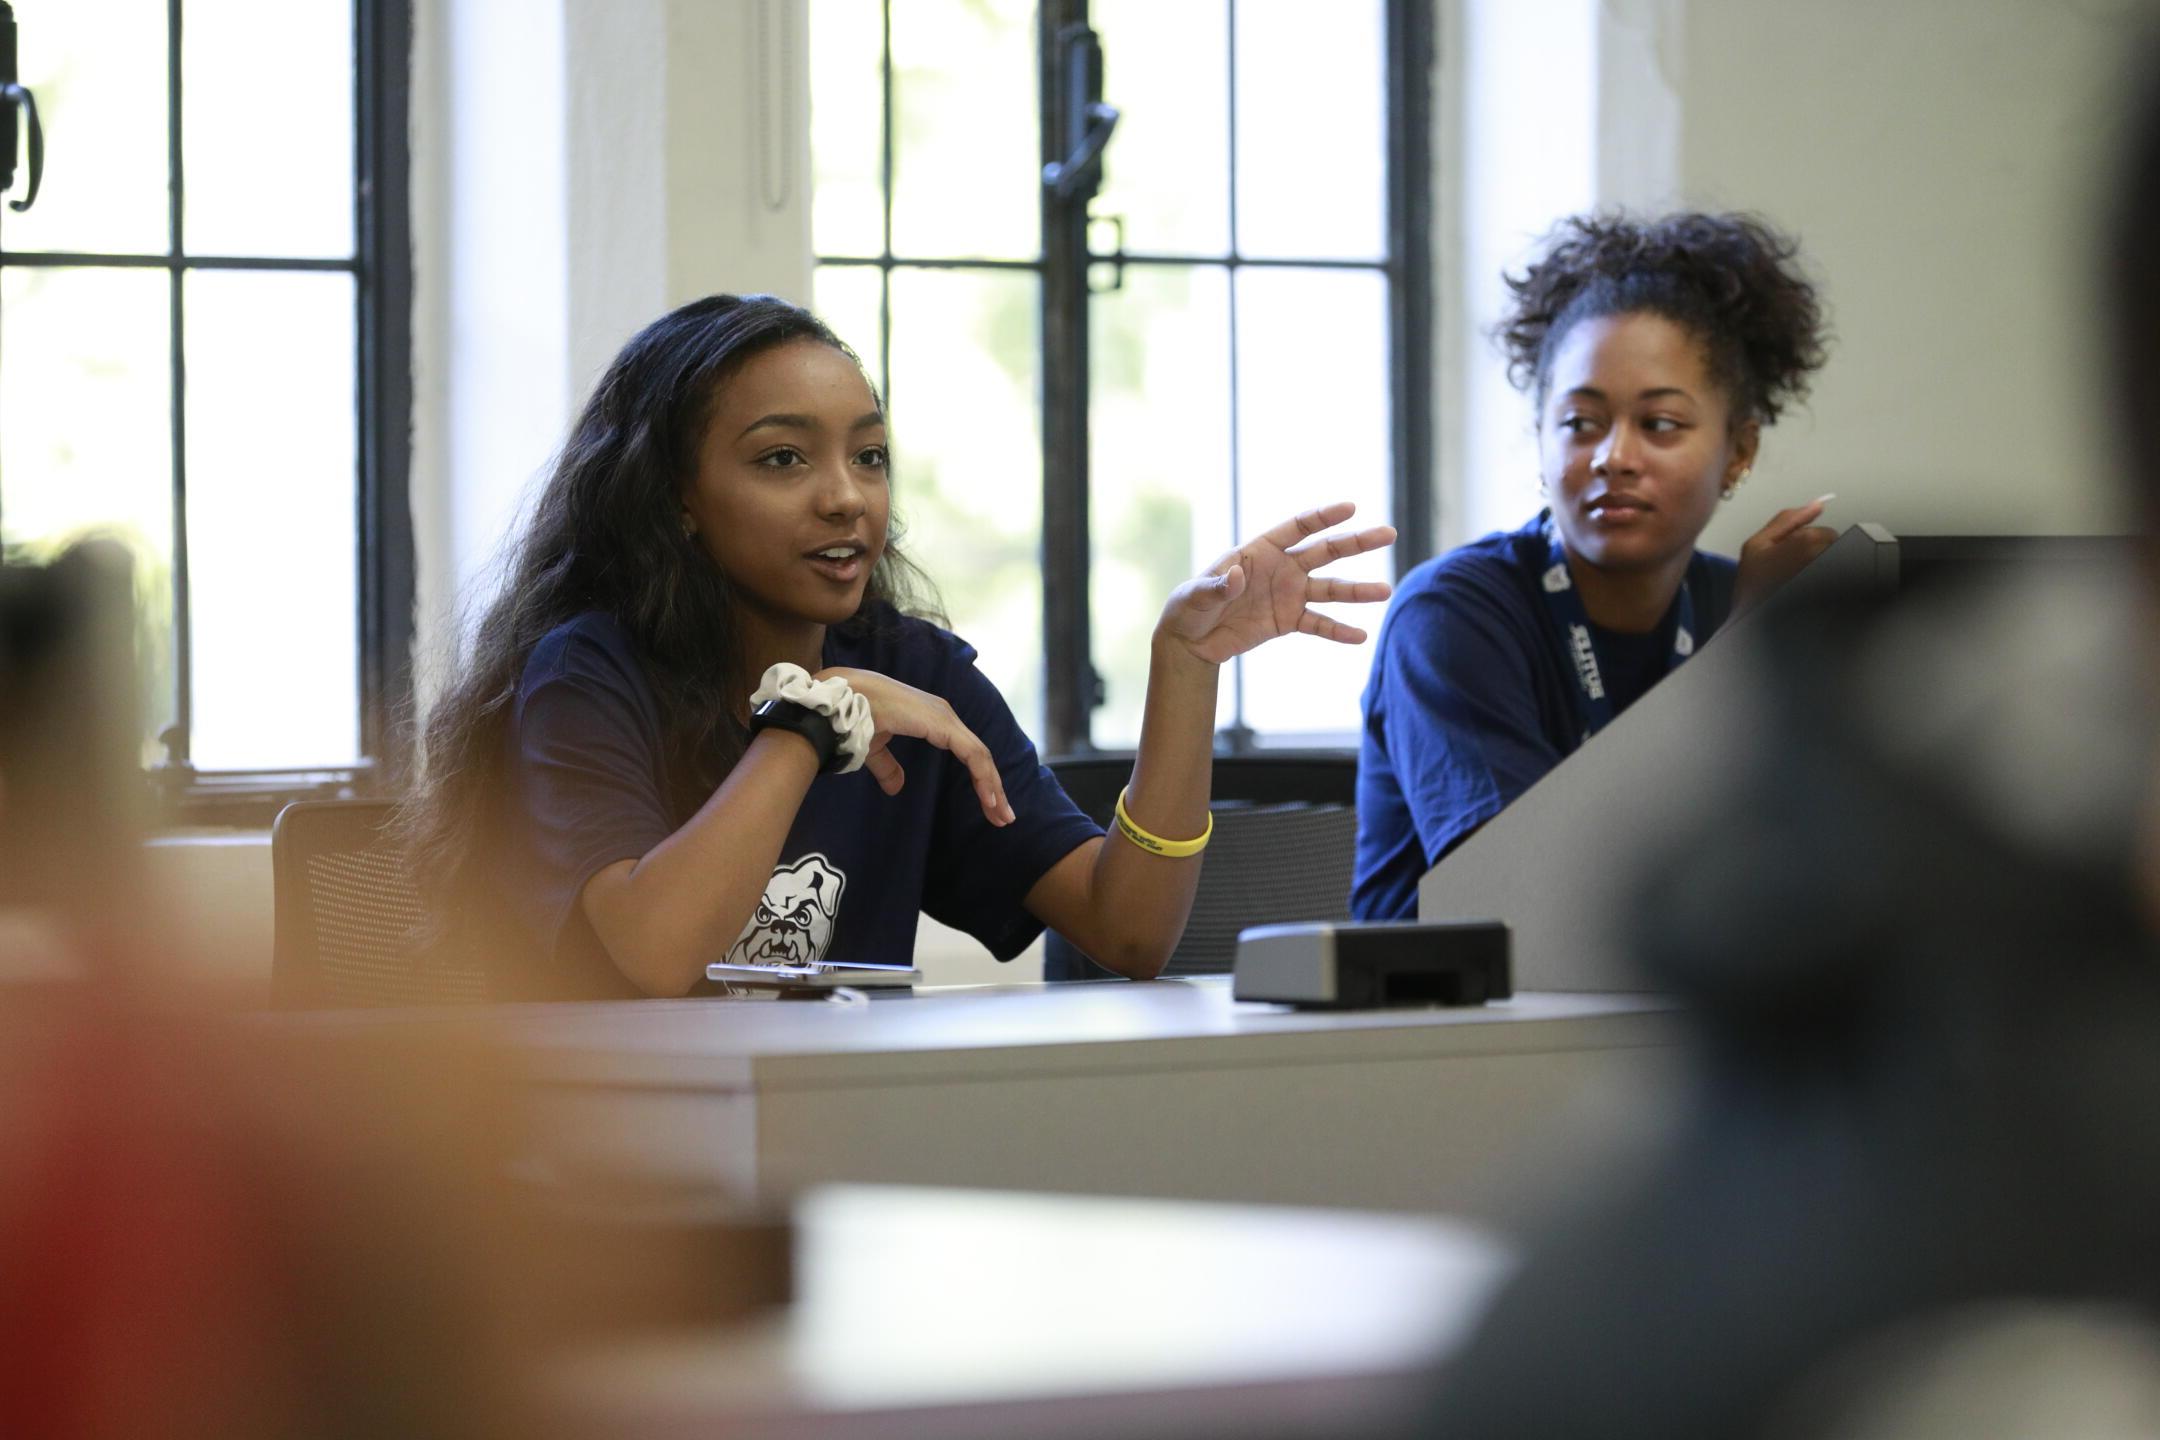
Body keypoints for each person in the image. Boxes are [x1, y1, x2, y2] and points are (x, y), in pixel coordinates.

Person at [398, 294, 1394, 999]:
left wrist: (1184, 672)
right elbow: (655, 958)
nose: (845, 494)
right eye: (783, 459)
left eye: (868, 456)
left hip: (838, 1130)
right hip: (611, 1166)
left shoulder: (917, 673)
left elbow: (1128, 930)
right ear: (678, 502)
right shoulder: (589, 674)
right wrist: (815, 717)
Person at [1351, 211, 1835, 920]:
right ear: (1542, 443)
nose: (1615, 456)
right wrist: (1736, 657)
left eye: (1660, 425)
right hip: (1451, 1022)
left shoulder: (1745, 600)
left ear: (1739, 451)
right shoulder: (1453, 614)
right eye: (1580, 423)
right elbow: (1520, 898)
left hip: (1660, 1022)